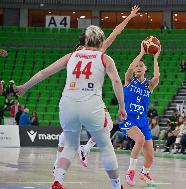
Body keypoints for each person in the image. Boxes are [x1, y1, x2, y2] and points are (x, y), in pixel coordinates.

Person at [15, 24, 129, 189]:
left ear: (86, 40)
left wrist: (24, 86)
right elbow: (117, 81)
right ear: (101, 41)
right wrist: (121, 106)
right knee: (105, 146)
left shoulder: (71, 56)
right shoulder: (104, 58)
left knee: (69, 145)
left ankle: (57, 182)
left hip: (68, 104)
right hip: (91, 105)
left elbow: (44, 72)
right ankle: (117, 186)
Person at [50, 5, 141, 176]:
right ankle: (79, 152)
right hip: (88, 99)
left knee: (69, 136)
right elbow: (114, 33)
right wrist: (129, 16)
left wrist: (129, 17)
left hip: (73, 100)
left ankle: (59, 165)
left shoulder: (76, 57)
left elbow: (115, 32)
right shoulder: (95, 53)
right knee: (102, 130)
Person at [119, 40, 161, 187]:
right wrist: (142, 53)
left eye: (141, 66)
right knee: (140, 139)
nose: (138, 67)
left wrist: (155, 57)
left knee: (150, 155)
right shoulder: (129, 81)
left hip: (142, 120)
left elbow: (157, 77)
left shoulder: (148, 86)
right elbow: (129, 70)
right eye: (137, 66)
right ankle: (130, 171)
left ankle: (145, 173)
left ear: (145, 69)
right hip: (128, 118)